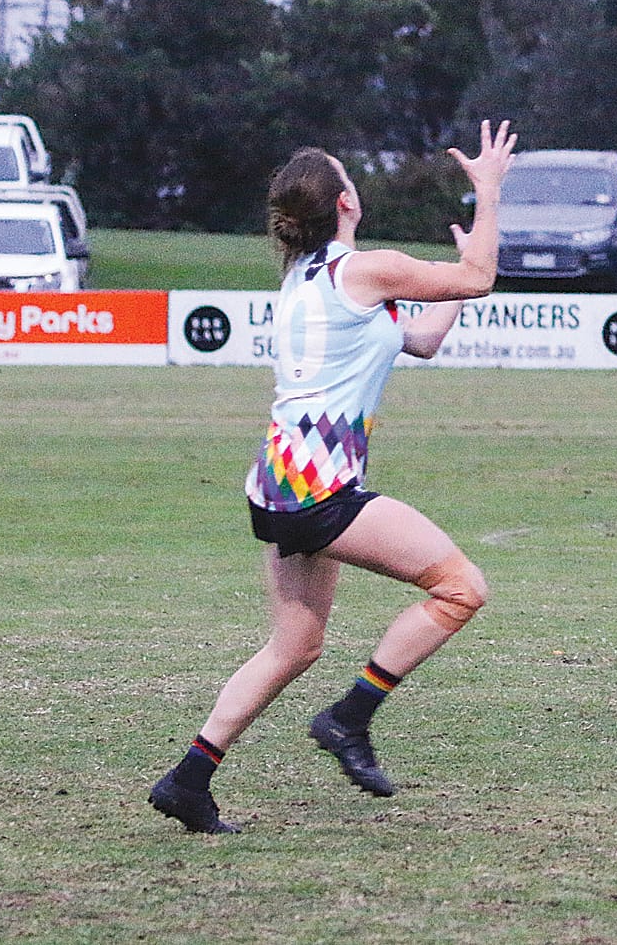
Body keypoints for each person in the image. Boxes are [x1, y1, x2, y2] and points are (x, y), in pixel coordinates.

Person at [149, 118, 518, 833]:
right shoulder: (363, 269)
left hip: (277, 484)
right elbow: (478, 279)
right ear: (346, 201)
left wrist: (459, 270)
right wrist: (489, 190)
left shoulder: (308, 278)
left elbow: (424, 340)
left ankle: (187, 780)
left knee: (295, 647)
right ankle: (350, 717)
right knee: (460, 588)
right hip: (320, 490)